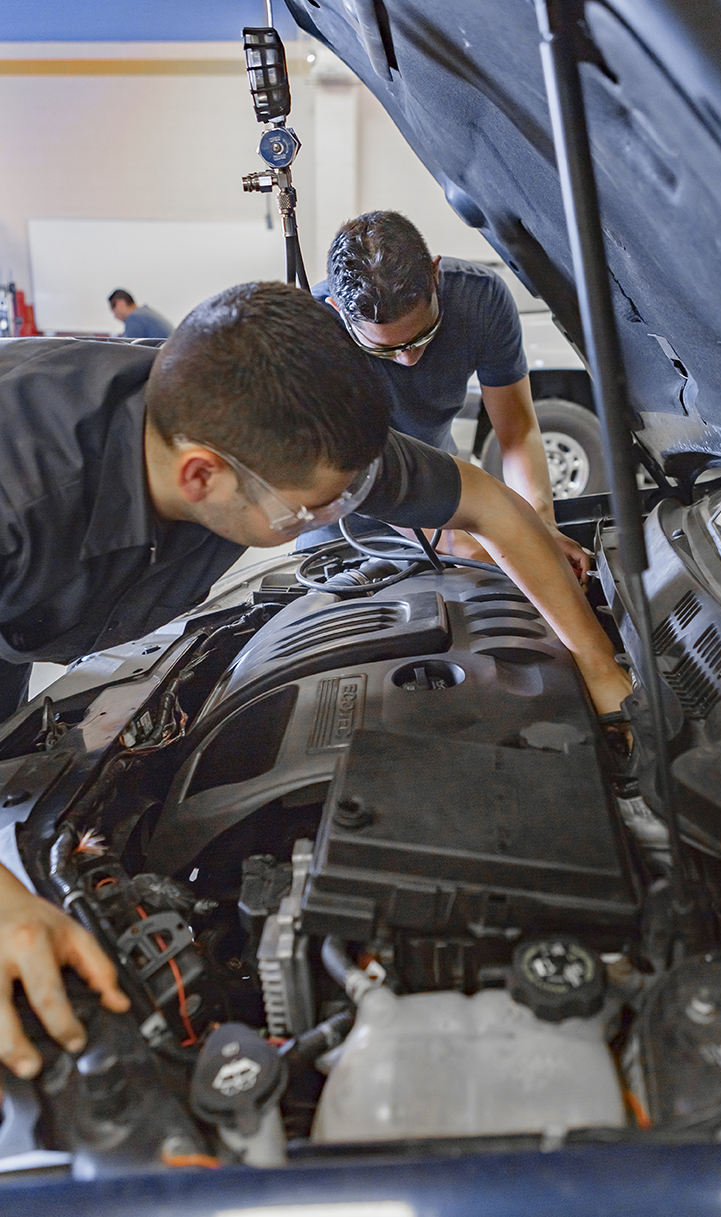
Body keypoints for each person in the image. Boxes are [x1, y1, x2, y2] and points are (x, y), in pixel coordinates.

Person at [0, 280, 631, 1083]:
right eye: (312, 512)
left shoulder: (275, 430)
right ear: (201, 477)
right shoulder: (21, 486)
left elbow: (492, 509)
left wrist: (605, 677)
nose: (337, 517)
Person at [314, 210, 587, 574]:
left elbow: (516, 432)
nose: (408, 359)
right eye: (383, 350)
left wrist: (540, 527)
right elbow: (355, 476)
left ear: (435, 274)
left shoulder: (480, 299)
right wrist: (469, 547)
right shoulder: (313, 334)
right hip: (342, 528)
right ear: (338, 310)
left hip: (435, 496)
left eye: (422, 335)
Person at [108, 288, 173, 339]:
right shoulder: (144, 312)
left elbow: (129, 351)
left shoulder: (133, 318)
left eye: (114, 311)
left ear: (120, 303)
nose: (115, 316)